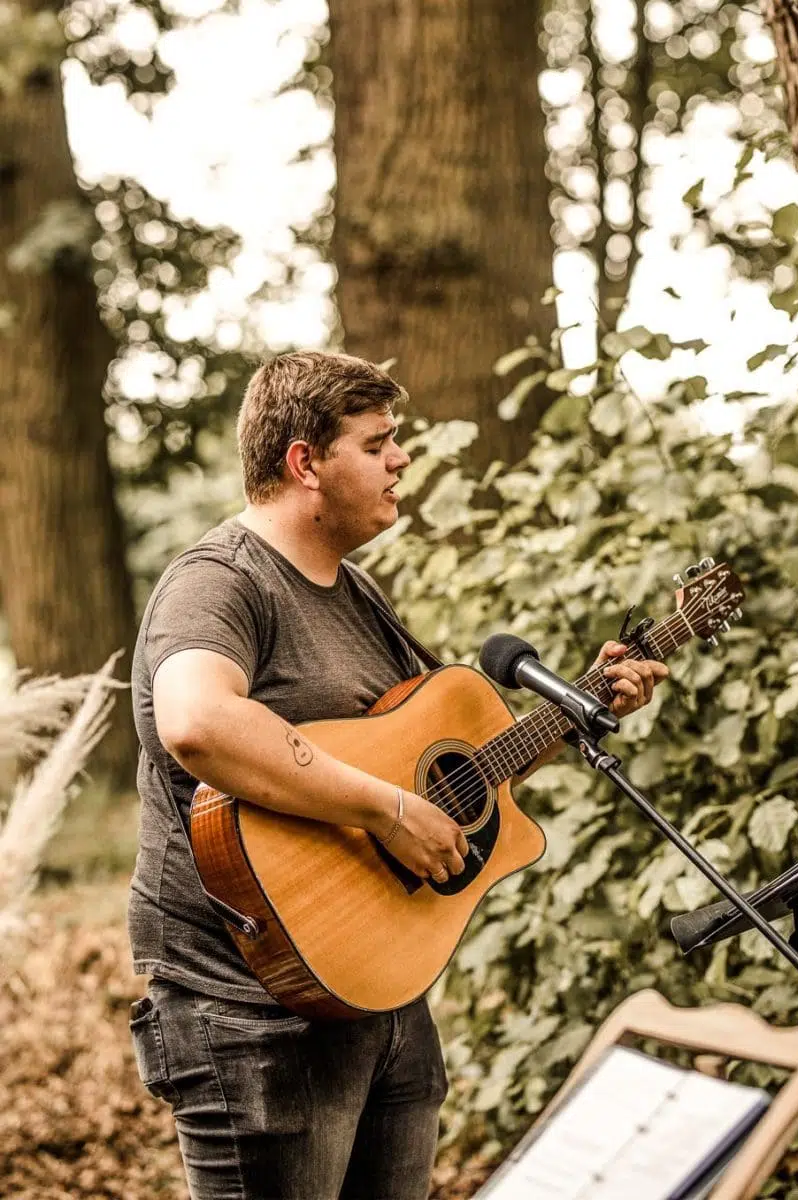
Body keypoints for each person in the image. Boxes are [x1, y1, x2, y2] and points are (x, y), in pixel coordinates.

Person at [127, 350, 669, 1200]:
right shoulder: (219, 582)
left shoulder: (356, 593)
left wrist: (583, 702)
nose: (401, 459)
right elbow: (197, 722)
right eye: (377, 442)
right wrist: (384, 811)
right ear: (305, 462)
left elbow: (451, 773)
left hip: (377, 988)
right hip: (249, 1013)